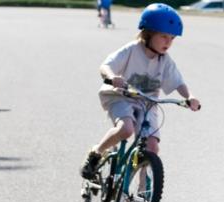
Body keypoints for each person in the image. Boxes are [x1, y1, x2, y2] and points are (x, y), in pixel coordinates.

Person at [80, 3, 201, 180]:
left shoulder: (165, 61)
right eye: (164, 36)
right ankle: (96, 153)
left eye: (172, 38)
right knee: (126, 129)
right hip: (121, 97)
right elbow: (106, 65)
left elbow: (178, 82)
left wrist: (189, 96)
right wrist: (113, 77)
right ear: (148, 33)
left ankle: (142, 194)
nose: (168, 42)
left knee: (152, 147)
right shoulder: (132, 50)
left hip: (147, 103)